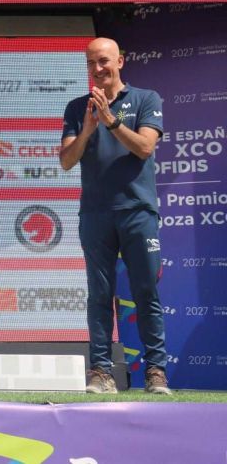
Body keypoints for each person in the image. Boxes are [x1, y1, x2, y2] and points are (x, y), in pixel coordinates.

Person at [60, 37, 170, 395]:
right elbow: (66, 160)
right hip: (95, 215)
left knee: (145, 291)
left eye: (104, 61)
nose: (97, 69)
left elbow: (145, 147)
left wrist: (110, 121)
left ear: (120, 61)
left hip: (137, 212)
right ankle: (101, 372)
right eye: (91, 63)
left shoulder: (146, 99)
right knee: (99, 295)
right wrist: (88, 128)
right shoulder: (77, 108)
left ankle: (156, 372)